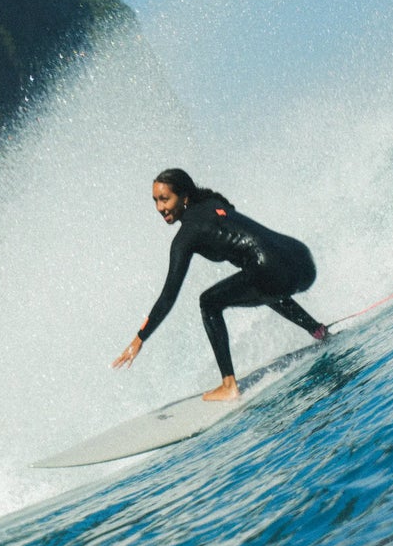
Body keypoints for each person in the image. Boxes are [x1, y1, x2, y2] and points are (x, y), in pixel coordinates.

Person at [111, 168, 328, 401]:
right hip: (302, 261)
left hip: (274, 271)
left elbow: (168, 296)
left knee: (209, 302)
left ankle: (229, 385)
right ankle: (317, 330)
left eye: (165, 199)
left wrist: (140, 338)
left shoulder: (186, 235)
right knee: (258, 284)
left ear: (184, 197)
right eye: (155, 200)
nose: (159, 208)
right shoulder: (215, 203)